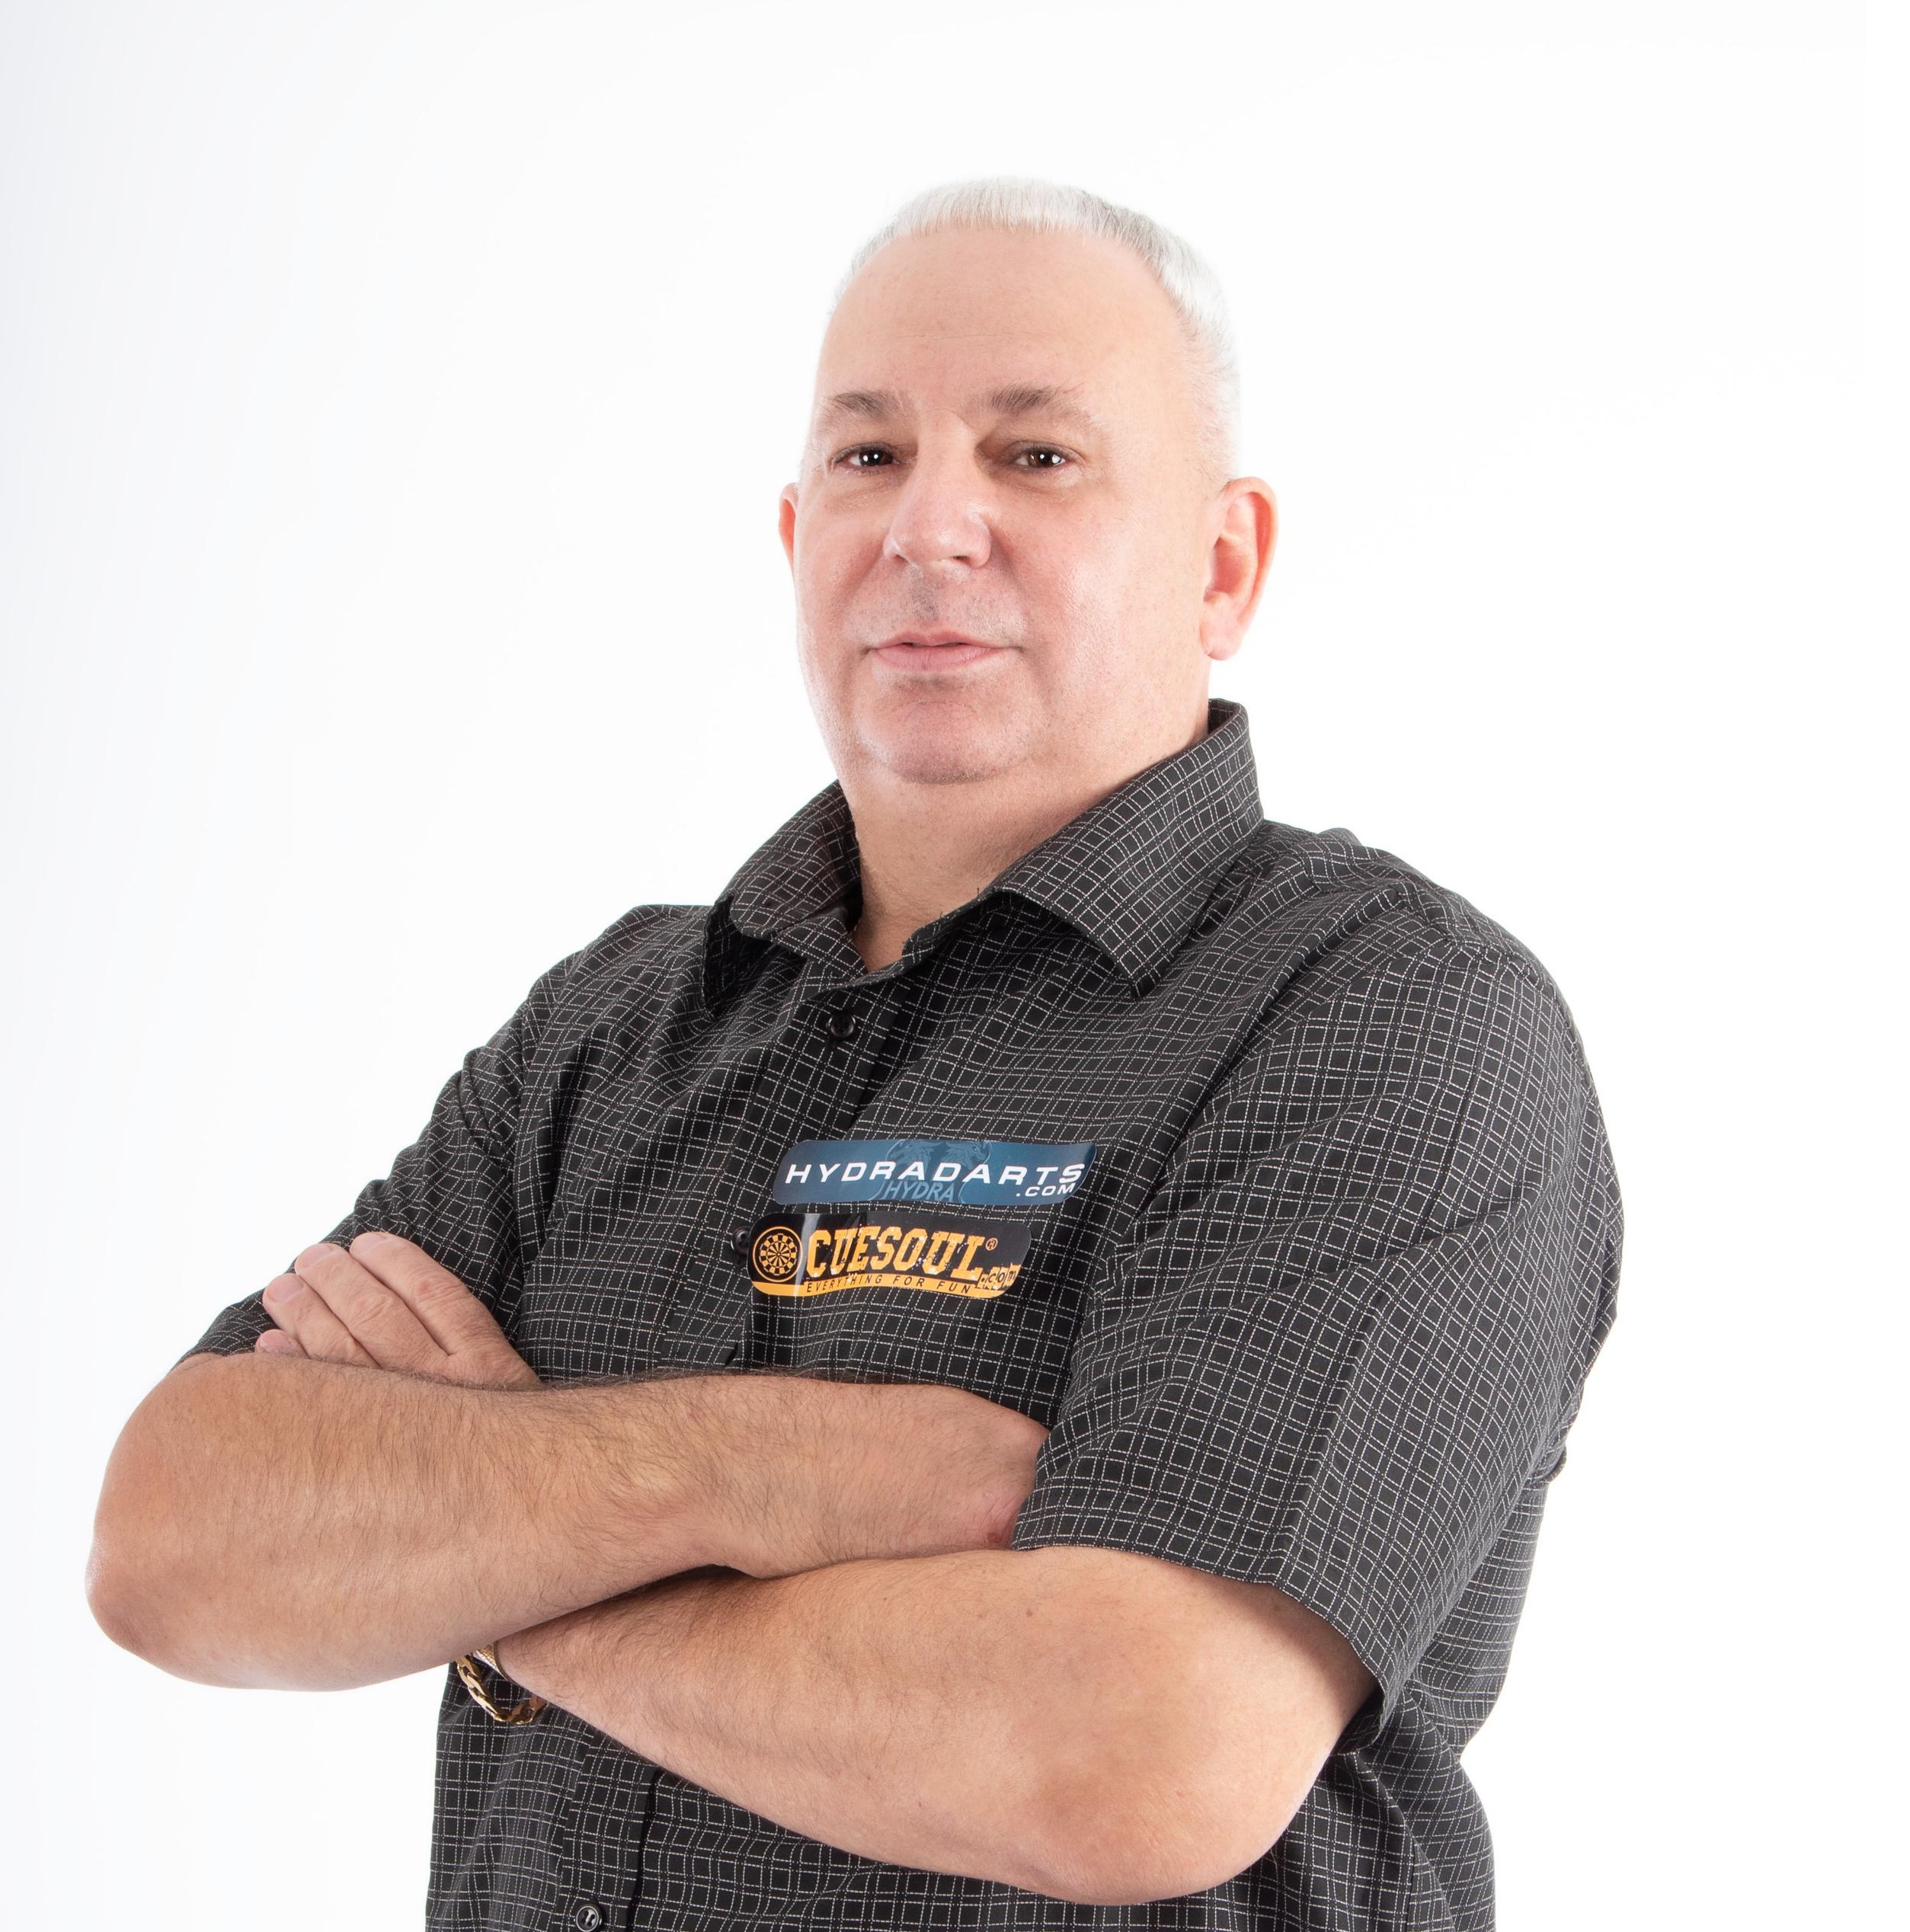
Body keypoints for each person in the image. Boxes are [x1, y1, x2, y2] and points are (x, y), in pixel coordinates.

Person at [86, 177, 1622, 1931]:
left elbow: (1129, 1748)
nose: (930, 526)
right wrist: (753, 1469)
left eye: (1035, 455)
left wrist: (492, 1552)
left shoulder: (1382, 1018)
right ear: (794, 532)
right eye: (868, 455)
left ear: (1222, 564)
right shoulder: (619, 1022)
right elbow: (174, 1539)